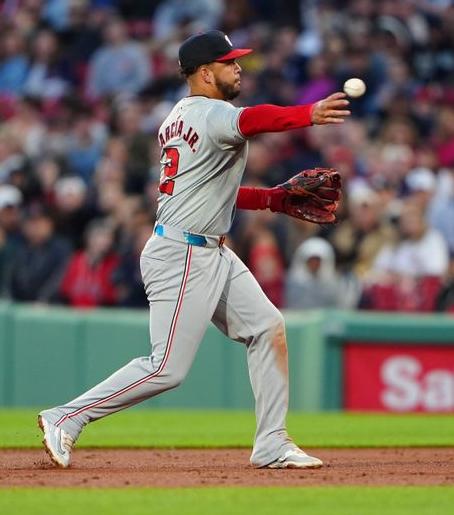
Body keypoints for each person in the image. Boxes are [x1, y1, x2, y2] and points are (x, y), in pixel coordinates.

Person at [38, 30, 349, 469]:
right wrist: (308, 113)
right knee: (166, 367)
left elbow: (212, 190)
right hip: (184, 253)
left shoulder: (179, 116)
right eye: (229, 62)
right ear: (205, 73)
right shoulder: (214, 114)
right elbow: (254, 120)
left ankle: (273, 443)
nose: (238, 67)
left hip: (206, 248)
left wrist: (273, 200)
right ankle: (66, 417)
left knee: (266, 327)